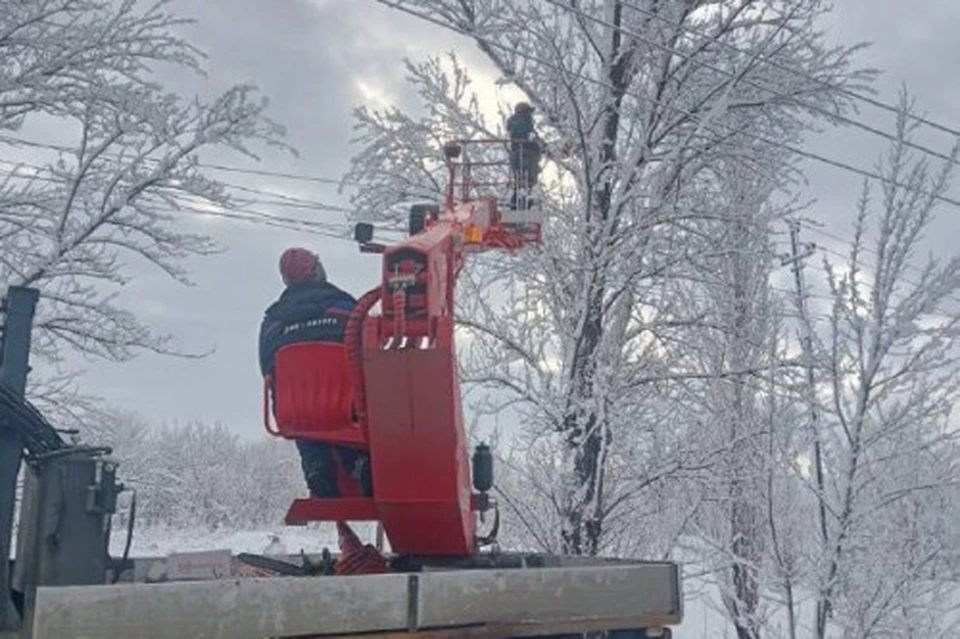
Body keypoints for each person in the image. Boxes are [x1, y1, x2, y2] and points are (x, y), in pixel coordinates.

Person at [258, 247, 369, 498]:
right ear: (318, 271)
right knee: (350, 406)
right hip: (348, 409)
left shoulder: (272, 322)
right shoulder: (348, 309)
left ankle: (317, 468)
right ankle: (359, 463)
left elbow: (266, 367)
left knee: (305, 412)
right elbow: (369, 354)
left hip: (293, 412)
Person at [505, 101, 542, 209]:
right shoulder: (523, 121)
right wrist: (538, 145)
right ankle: (521, 204)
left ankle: (517, 204)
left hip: (519, 156)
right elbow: (529, 136)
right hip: (525, 156)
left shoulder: (515, 121)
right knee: (526, 182)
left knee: (521, 182)